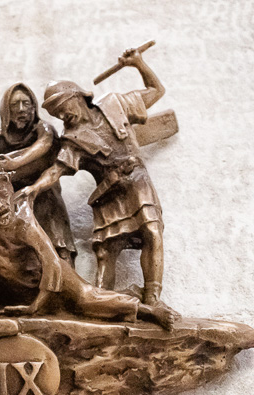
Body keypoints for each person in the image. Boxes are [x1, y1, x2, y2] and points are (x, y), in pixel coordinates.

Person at [0, 171, 176, 329]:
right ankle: (125, 297)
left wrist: (36, 306)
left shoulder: (23, 225)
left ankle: (148, 312)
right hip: (17, 290)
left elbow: (51, 263)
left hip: (53, 282)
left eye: (3, 197)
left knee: (86, 301)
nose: (0, 206)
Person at [20, 48, 173, 314]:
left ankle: (152, 298)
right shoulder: (72, 140)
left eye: (63, 107)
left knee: (152, 230)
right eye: (57, 113)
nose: (62, 116)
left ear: (77, 95)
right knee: (106, 252)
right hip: (107, 194)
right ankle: (104, 306)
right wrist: (34, 188)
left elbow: (156, 90)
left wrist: (138, 63)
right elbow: (56, 171)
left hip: (137, 181)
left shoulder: (115, 104)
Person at [0, 83, 77, 265]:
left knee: (55, 231)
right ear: (6, 110)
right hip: (8, 197)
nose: (21, 109)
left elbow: (43, 145)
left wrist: (15, 162)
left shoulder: (43, 129)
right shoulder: (0, 133)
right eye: (14, 104)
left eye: (26, 103)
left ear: (33, 107)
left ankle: (65, 265)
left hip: (41, 192)